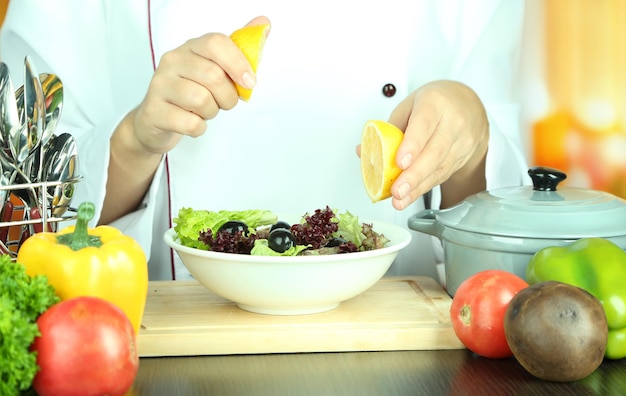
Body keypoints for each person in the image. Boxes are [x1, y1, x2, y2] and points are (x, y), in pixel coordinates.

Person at [0, 0, 529, 282]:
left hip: (400, 345)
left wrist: (473, 140)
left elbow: (505, 242)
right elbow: (20, 205)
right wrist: (137, 140)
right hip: (169, 344)